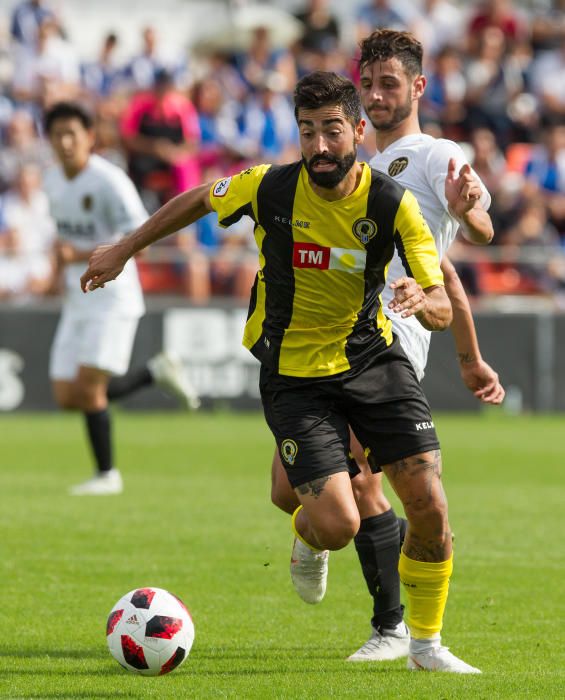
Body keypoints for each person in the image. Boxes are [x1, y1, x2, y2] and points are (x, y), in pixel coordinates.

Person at [81, 70, 482, 673]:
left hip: (374, 361)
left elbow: (443, 304)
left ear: (357, 131)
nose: (320, 147)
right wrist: (122, 249)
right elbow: (197, 199)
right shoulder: (268, 186)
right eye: (307, 132)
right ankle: (311, 532)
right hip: (295, 377)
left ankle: (425, 647)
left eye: (332, 131)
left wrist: (423, 301)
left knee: (428, 502)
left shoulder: (391, 204)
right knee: (338, 522)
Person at [270, 29, 504, 667]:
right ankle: (315, 540)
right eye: (367, 83)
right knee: (291, 496)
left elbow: (476, 233)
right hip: (321, 343)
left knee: (377, 490)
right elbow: (450, 276)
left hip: (388, 344)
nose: (375, 95)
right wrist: (471, 355)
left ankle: (401, 633)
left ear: (419, 87)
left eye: (389, 84)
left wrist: (472, 214)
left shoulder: (432, 155)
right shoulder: (345, 163)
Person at [42, 101, 200, 496]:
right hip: (77, 299)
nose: (64, 142)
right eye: (57, 134)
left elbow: (139, 243)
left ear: (89, 137)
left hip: (113, 298)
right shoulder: (52, 181)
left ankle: (107, 475)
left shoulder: (109, 181)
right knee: (67, 394)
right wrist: (53, 275)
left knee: (90, 389)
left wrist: (77, 257)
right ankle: (154, 373)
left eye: (71, 134)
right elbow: (62, 242)